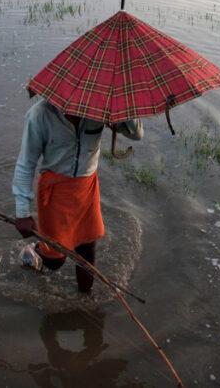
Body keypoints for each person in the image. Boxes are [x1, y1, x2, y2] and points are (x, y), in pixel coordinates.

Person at [12, 94, 143, 292]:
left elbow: (136, 134)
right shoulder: (39, 115)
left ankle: (85, 300)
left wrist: (122, 106)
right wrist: (22, 212)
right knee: (55, 260)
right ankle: (35, 251)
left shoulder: (100, 109)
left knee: (87, 251)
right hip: (55, 190)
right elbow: (25, 165)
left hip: (87, 187)